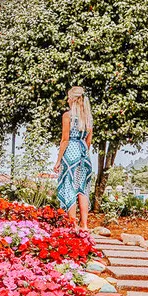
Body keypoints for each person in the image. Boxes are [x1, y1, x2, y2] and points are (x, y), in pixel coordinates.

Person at [53, 86, 93, 230]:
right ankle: (85, 225)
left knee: (70, 187)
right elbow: (88, 142)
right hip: (84, 155)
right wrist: (83, 153)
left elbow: (65, 140)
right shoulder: (88, 118)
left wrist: (58, 161)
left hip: (71, 153)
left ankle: (73, 224)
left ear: (74, 99)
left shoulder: (67, 116)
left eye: (69, 97)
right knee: (82, 189)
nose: (68, 100)